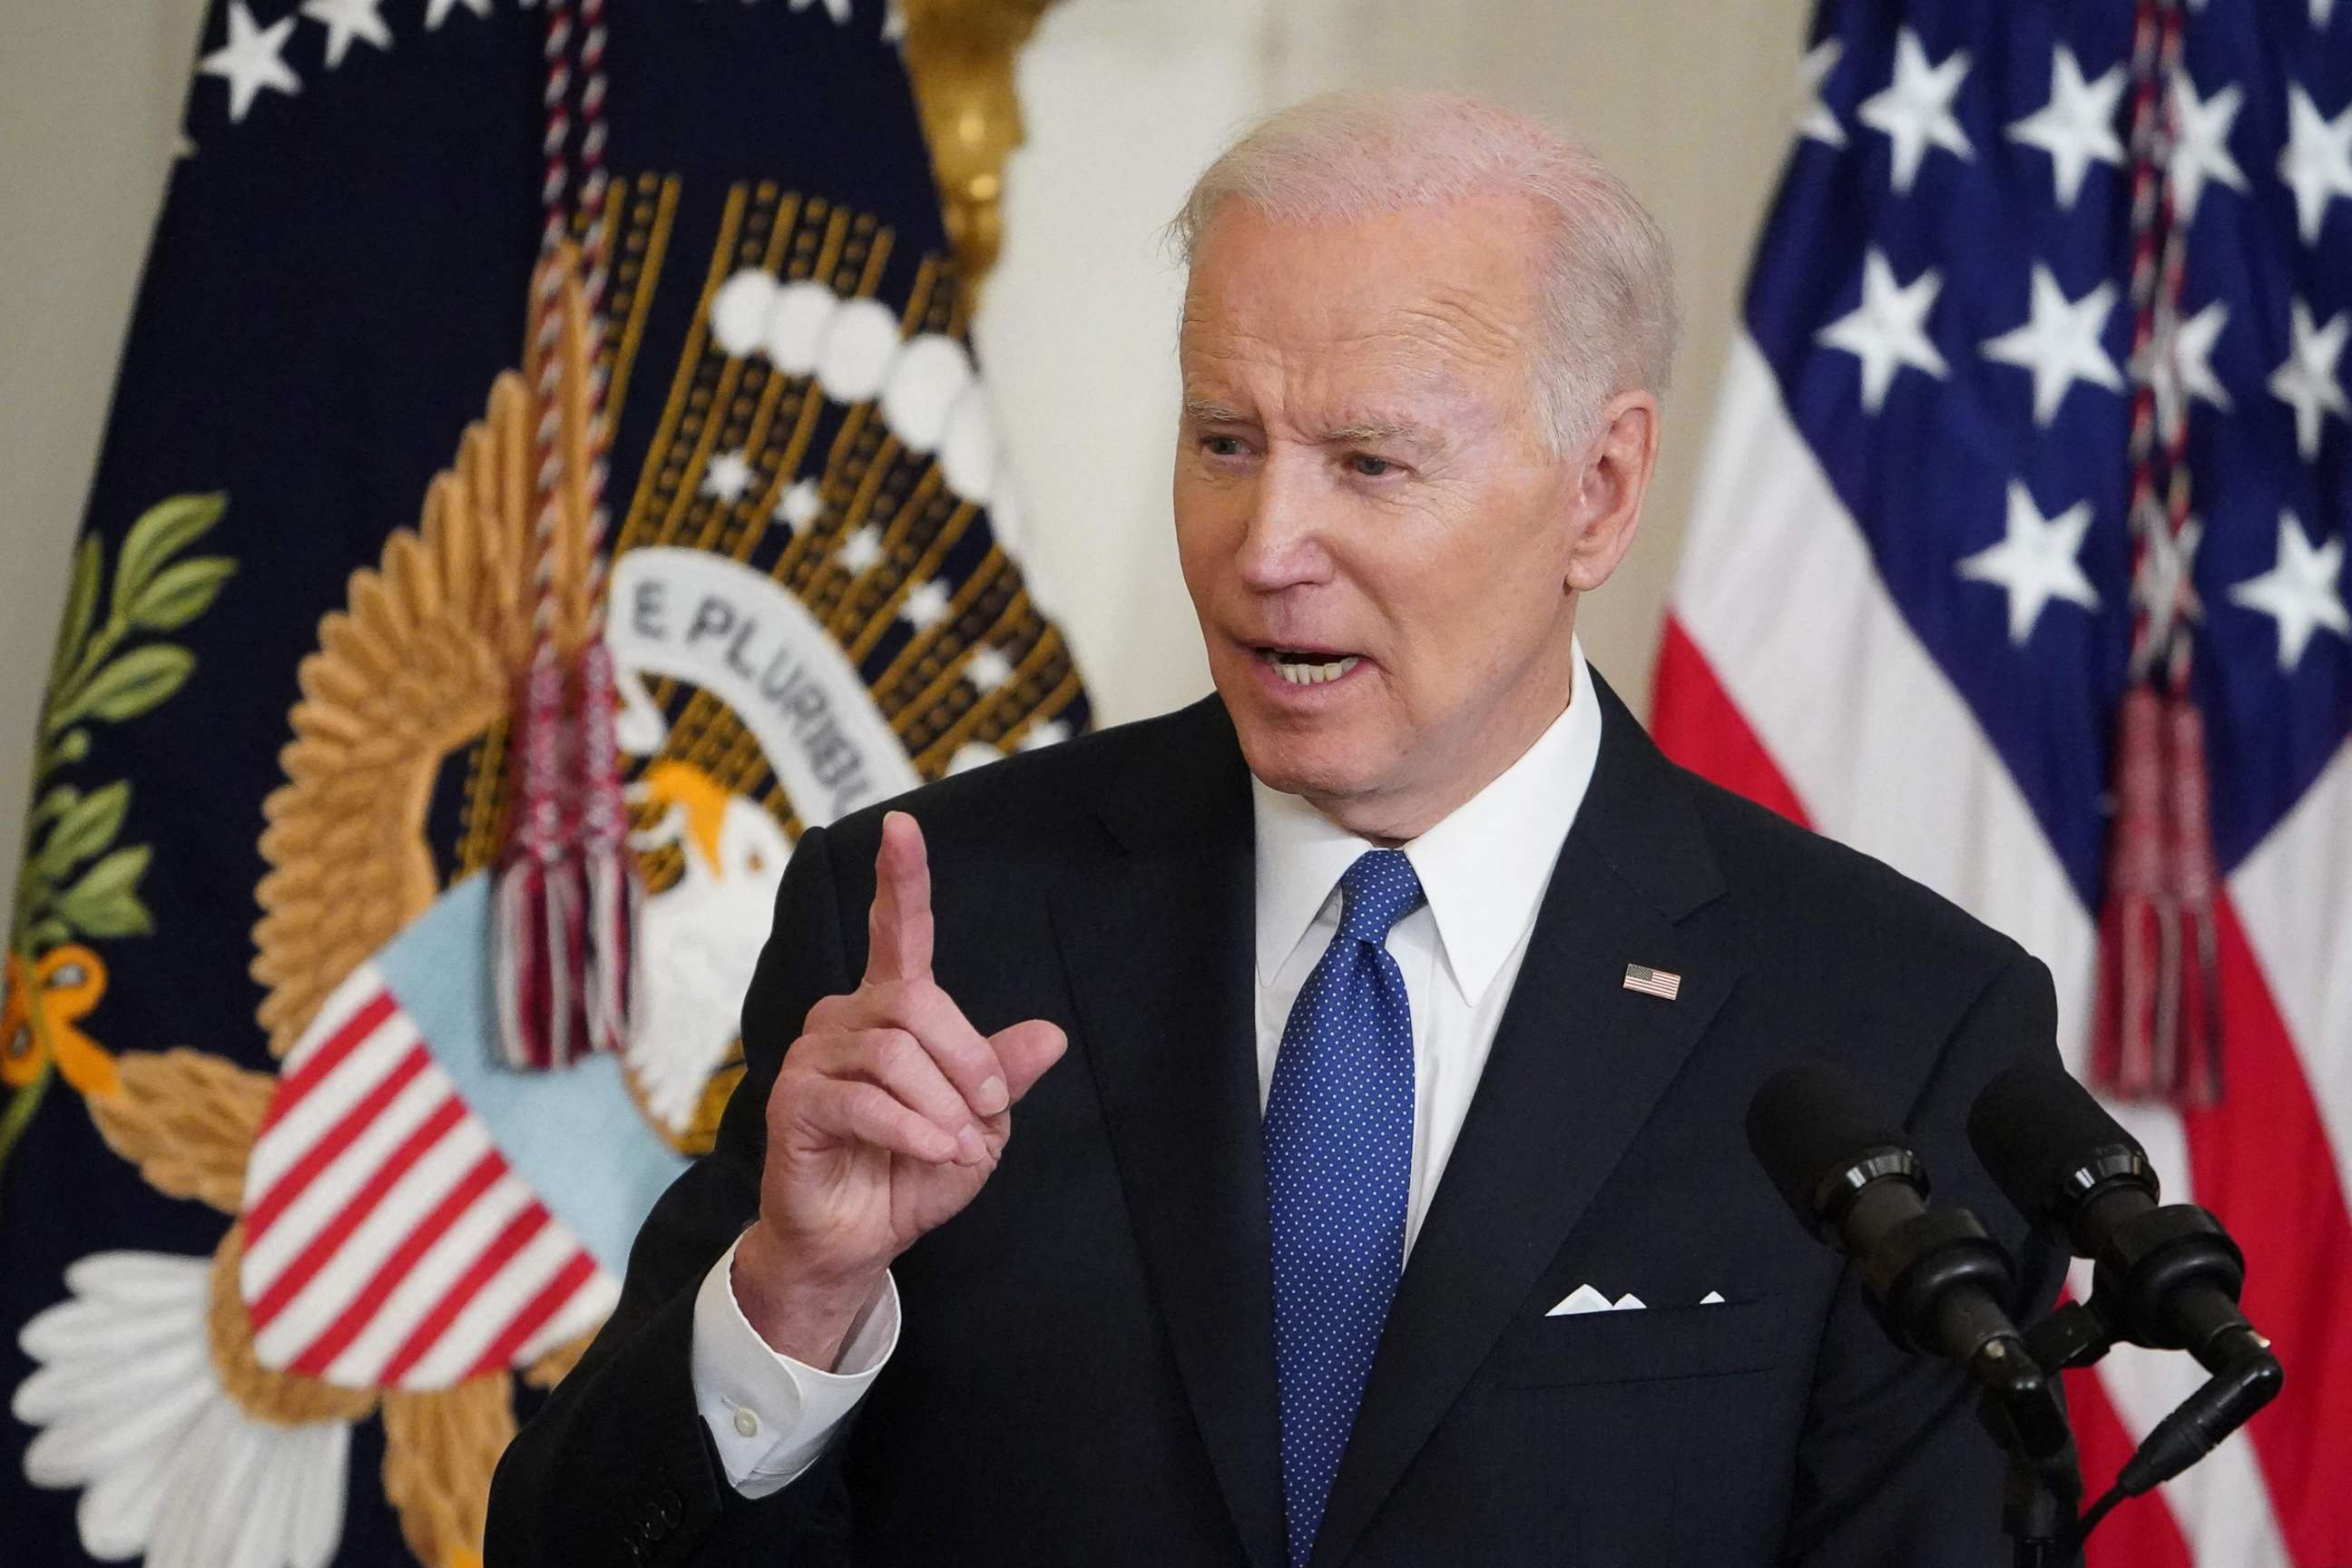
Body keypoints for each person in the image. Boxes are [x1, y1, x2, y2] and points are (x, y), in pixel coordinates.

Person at [487, 89, 2065, 1567]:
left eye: (1370, 464)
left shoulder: (1898, 1023)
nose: (1266, 548)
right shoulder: (929, 923)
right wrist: (795, 1296)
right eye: (1224, 442)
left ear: (1599, 488)